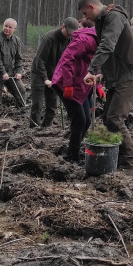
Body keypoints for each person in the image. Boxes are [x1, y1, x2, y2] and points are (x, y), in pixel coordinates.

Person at [78, 0, 133, 170]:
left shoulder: (114, 17)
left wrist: (91, 70)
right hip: (118, 75)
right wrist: (101, 73)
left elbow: (107, 46)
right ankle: (113, 157)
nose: (85, 18)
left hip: (130, 74)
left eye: (85, 14)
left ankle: (129, 163)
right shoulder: (103, 21)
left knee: (115, 118)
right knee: (108, 119)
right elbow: (113, 51)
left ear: (92, 7)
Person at [51, 19, 103, 162]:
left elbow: (95, 65)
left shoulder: (100, 44)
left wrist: (98, 86)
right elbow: (67, 60)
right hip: (65, 84)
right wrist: (67, 85)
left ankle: (72, 150)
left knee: (86, 121)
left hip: (81, 84)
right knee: (79, 119)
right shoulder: (84, 40)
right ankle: (72, 157)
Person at [30, 17, 79, 128]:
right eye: (68, 32)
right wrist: (45, 78)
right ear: (63, 27)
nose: (69, 35)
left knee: (52, 104)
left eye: (72, 33)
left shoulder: (71, 40)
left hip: (55, 75)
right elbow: (40, 60)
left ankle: (46, 128)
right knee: (37, 103)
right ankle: (33, 128)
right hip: (39, 73)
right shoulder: (49, 38)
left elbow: (68, 60)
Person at [0, 18, 26, 108]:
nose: (7, 28)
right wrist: (3, 72)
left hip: (10, 70)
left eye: (10, 27)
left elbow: (18, 58)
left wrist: (19, 71)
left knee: (21, 91)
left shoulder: (16, 40)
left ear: (14, 29)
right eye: (5, 26)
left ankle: (21, 113)